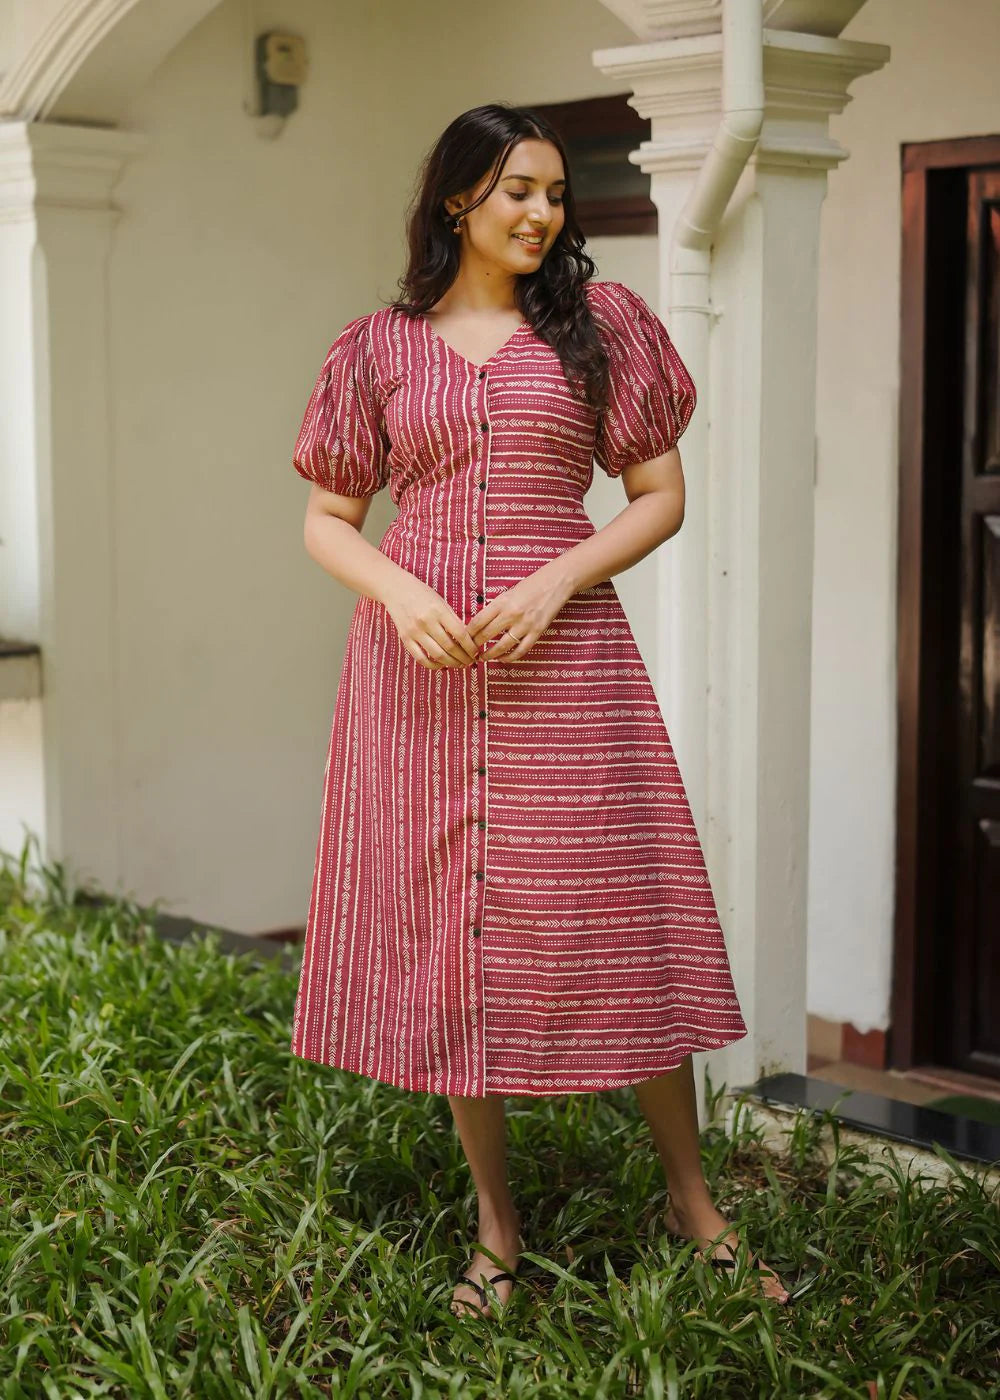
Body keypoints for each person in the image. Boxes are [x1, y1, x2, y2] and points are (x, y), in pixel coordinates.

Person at [288, 102, 790, 1318]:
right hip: (418, 674)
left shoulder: (600, 326)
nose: (542, 214)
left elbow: (657, 493)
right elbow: (324, 518)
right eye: (518, 189)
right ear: (456, 195)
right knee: (454, 935)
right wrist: (401, 593)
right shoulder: (375, 349)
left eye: (556, 194)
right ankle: (497, 1230)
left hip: (565, 660)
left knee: (621, 907)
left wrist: (561, 573)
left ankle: (692, 1198)